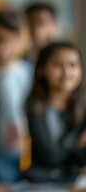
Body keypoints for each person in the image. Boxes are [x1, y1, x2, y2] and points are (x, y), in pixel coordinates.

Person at [23, 41, 86, 183]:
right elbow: (51, 155)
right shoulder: (35, 107)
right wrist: (77, 144)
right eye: (58, 65)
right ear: (41, 70)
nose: (66, 71)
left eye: (73, 65)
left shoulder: (83, 104)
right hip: (43, 182)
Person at [0, 9, 33, 183]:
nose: (3, 47)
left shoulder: (28, 73)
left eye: (11, 40)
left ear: (21, 40)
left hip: (23, 154)